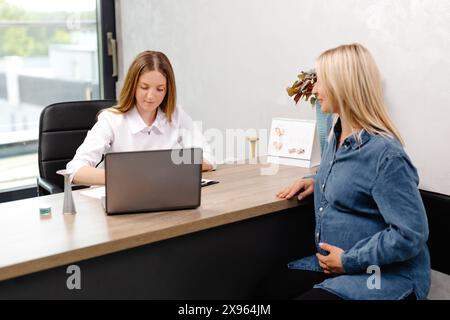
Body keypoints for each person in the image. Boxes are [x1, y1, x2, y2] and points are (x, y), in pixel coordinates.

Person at [258, 43, 430, 300]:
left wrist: (349, 260)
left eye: (321, 82)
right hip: (339, 265)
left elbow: (410, 234)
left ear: (344, 85)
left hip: (384, 274)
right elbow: (355, 178)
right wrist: (318, 180)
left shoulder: (386, 155)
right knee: (269, 289)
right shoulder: (336, 136)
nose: (314, 90)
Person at [67, 51, 216, 185]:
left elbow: (208, 158)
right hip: (120, 197)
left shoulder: (175, 115)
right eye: (144, 87)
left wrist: (174, 168)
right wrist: (127, 177)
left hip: (161, 196)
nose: (151, 96)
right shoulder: (111, 119)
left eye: (160, 89)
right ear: (133, 86)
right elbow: (75, 170)